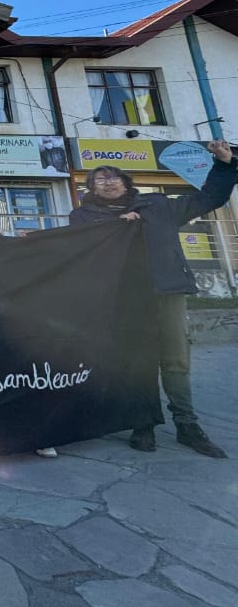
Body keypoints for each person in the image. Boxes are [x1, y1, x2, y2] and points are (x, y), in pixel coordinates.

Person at [69, 140, 235, 459]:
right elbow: (73, 248)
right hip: (122, 297)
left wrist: (225, 165)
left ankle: (187, 424)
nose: (108, 181)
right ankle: (142, 423)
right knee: (137, 362)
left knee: (175, 361)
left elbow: (209, 197)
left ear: (127, 182)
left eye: (114, 176)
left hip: (166, 292)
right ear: (90, 188)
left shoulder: (158, 206)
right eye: (99, 179)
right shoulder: (82, 216)